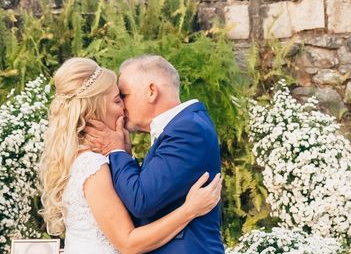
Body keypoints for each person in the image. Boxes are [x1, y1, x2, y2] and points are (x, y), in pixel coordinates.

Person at [39, 57, 221, 254]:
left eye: (123, 96)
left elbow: (140, 201)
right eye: (118, 100)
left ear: (152, 91)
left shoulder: (187, 128)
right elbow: (129, 239)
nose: (123, 108)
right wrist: (189, 210)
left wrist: (120, 154)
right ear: (96, 107)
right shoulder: (92, 164)